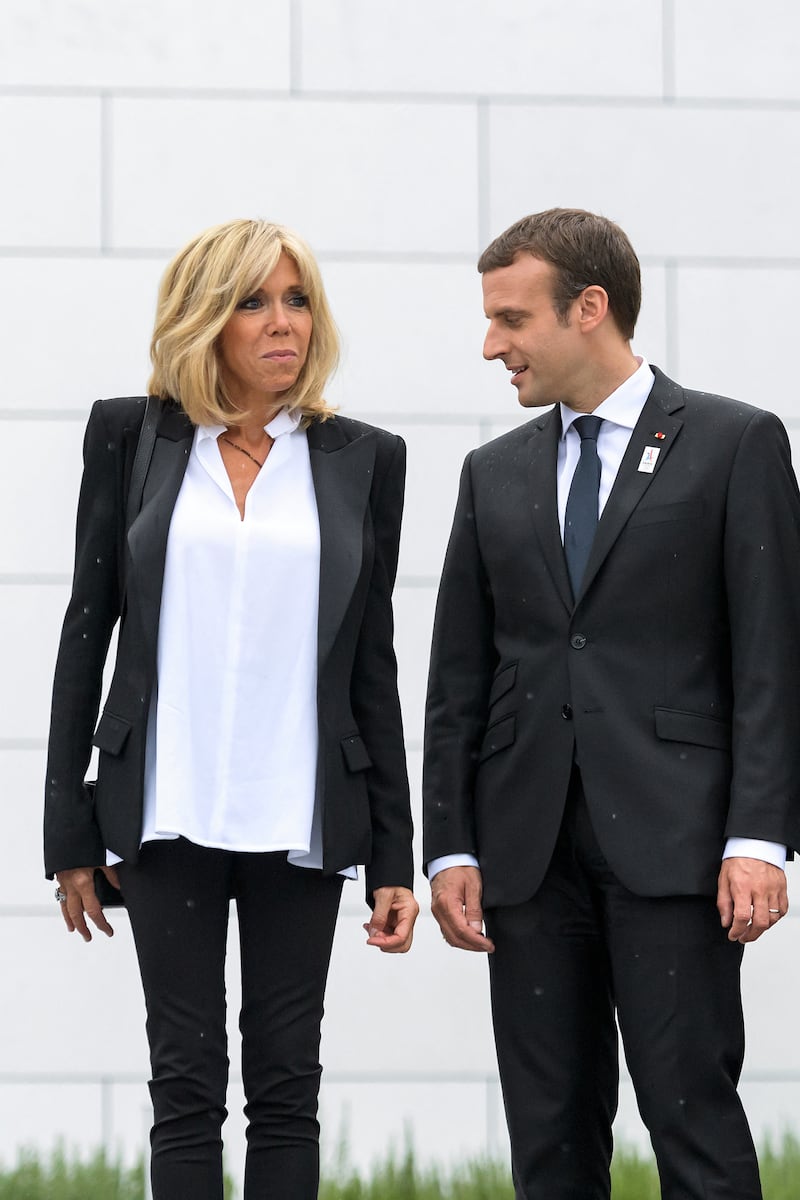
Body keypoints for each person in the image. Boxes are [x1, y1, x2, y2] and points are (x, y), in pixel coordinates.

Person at [423, 207, 800, 1199]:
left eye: (510, 318)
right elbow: (458, 676)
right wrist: (449, 846)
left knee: (690, 1121)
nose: (490, 344)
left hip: (675, 848)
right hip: (525, 854)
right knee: (545, 1139)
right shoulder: (490, 473)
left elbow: (772, 657)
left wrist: (757, 834)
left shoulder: (733, 443)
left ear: (588, 308)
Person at [44, 217, 418, 1200]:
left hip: (301, 812)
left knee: (287, 1086)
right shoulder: (131, 437)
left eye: (296, 299)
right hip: (166, 810)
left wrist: (393, 853)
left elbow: (369, 663)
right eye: (252, 301)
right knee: (185, 1083)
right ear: (203, 317)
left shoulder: (362, 458)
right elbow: (87, 632)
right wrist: (67, 830)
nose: (281, 322)